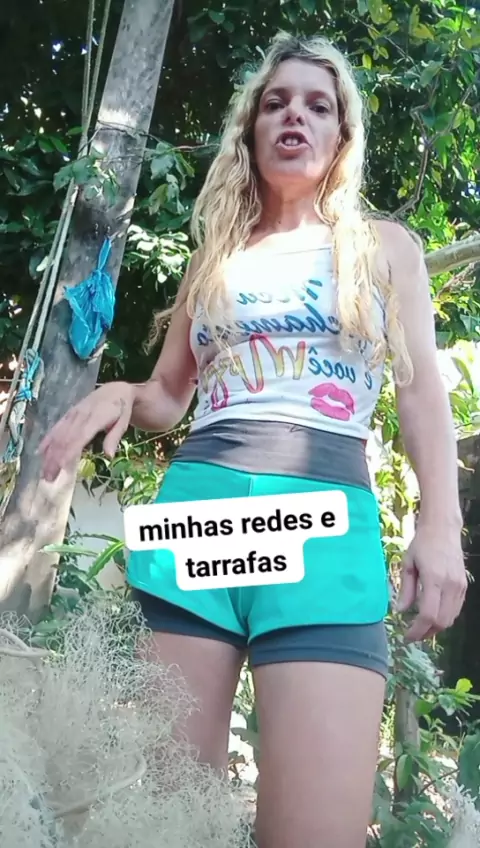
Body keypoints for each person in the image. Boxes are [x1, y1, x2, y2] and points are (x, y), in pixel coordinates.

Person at [39, 31, 467, 848]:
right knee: (168, 827)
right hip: (201, 517)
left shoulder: (384, 250)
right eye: (276, 103)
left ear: (342, 134)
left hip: (324, 528)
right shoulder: (218, 258)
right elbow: (170, 395)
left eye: (317, 105)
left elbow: (420, 396)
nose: (294, 116)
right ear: (251, 130)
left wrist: (441, 527)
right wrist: (122, 393)